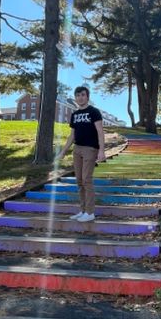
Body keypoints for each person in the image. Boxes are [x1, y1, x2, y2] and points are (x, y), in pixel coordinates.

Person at [56, 85, 105, 222]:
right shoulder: (74, 115)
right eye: (77, 95)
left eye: (83, 95)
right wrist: (63, 151)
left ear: (87, 97)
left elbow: (100, 132)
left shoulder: (94, 112)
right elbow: (72, 136)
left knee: (86, 180)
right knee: (79, 181)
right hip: (77, 149)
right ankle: (83, 210)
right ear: (75, 98)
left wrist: (102, 150)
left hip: (90, 149)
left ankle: (90, 213)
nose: (80, 97)